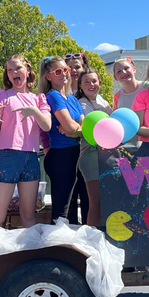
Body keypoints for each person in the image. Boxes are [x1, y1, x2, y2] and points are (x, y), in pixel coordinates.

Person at [0, 54, 51, 228]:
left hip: (31, 158)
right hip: (6, 157)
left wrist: (34, 111)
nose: (14, 72)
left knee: (28, 216)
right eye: (10, 70)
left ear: (28, 71)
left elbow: (47, 126)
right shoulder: (2, 96)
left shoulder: (38, 99)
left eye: (18, 68)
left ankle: (30, 253)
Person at [40, 56, 84, 223]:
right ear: (48, 76)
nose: (64, 74)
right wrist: (75, 129)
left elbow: (83, 127)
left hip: (73, 153)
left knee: (70, 206)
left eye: (66, 70)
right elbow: (71, 126)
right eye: (58, 71)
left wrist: (75, 131)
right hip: (60, 155)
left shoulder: (72, 99)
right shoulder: (53, 96)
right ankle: (56, 245)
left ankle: (64, 243)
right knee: (61, 210)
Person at [76, 69, 111, 226]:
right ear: (80, 86)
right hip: (90, 155)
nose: (91, 85)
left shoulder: (104, 103)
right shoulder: (80, 104)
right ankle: (92, 239)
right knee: (95, 202)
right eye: (86, 82)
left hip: (108, 155)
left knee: (106, 201)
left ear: (100, 83)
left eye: (94, 81)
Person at [64, 53, 90, 224]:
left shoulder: (89, 92)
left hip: (88, 153)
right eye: (69, 68)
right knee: (69, 198)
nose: (73, 71)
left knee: (88, 196)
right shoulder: (59, 94)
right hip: (67, 151)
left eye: (77, 67)